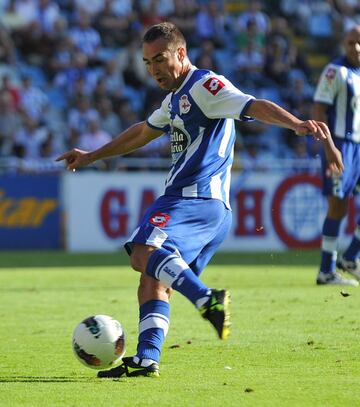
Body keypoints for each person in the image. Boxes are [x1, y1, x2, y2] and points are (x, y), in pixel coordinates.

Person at [56, 22, 343, 378]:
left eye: (159, 59)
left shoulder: (205, 85)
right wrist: (92, 156)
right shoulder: (175, 99)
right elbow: (143, 131)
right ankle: (147, 359)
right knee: (153, 280)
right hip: (212, 210)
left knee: (142, 251)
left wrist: (296, 124)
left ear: (180, 53)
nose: (154, 69)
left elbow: (253, 105)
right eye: (147, 63)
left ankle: (208, 299)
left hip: (192, 196)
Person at [314, 26, 360, 286]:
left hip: (359, 146)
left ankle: (351, 257)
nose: (356, 47)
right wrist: (329, 147)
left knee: (340, 206)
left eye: (359, 42)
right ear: (344, 43)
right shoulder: (335, 71)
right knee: (338, 206)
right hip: (341, 145)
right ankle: (326, 271)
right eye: (352, 42)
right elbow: (319, 110)